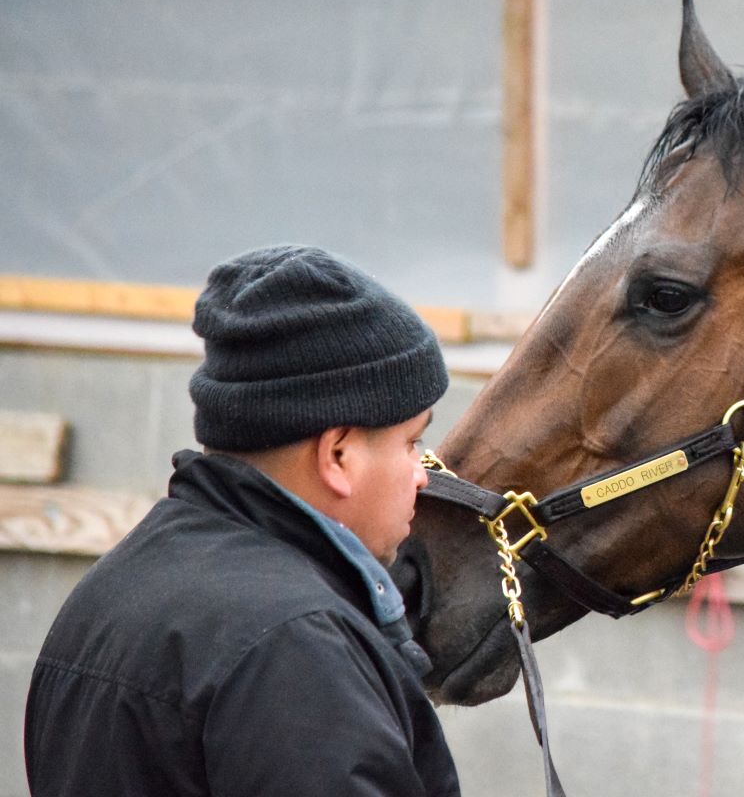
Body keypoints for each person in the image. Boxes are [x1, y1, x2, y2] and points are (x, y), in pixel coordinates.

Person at [24, 245, 460, 797]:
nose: (423, 474)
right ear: (338, 456)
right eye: (411, 442)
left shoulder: (108, 593)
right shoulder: (297, 650)